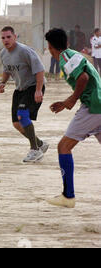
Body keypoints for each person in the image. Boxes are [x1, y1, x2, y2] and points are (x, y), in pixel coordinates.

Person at [45, 28, 101, 208]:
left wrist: (70, 99)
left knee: (63, 146)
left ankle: (68, 196)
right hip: (97, 102)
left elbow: (83, 78)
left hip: (93, 106)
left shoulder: (64, 57)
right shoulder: (73, 54)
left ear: (50, 47)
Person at [0, 26, 49, 163]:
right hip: (20, 89)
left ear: (15, 37)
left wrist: (38, 90)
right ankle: (40, 144)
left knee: (22, 115)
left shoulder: (25, 51)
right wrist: (3, 82)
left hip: (33, 86)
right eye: (3, 37)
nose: (6, 40)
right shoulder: (3, 53)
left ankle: (35, 150)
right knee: (16, 123)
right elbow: (7, 70)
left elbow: (40, 70)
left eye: (9, 37)